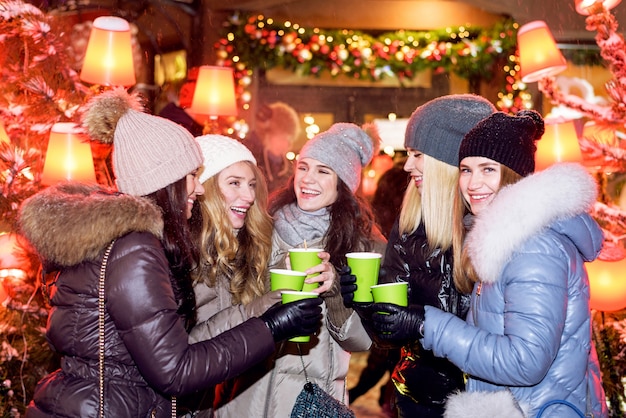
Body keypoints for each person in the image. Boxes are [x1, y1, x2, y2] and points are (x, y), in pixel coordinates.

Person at [18, 88, 323, 418]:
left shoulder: (115, 238)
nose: (200, 187)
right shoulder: (135, 247)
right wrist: (270, 328)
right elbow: (177, 370)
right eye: (192, 176)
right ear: (167, 180)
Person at [369, 110, 609, 417]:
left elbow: (524, 363)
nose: (472, 183)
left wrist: (426, 323)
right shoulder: (502, 239)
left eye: (487, 169)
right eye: (466, 170)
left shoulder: (533, 247)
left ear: (513, 174)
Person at [213, 122, 386, 417]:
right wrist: (280, 274)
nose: (308, 179)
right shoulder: (260, 227)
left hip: (312, 400)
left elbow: (360, 341)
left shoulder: (364, 245)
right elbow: (230, 310)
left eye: (323, 171)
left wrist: (334, 289)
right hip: (247, 392)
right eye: (304, 167)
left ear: (343, 183)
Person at [343, 94, 496, 418]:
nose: (407, 164)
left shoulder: (494, 226)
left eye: (416, 154)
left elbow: (499, 342)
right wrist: (365, 301)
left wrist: (420, 323)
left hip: (479, 402)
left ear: (447, 160)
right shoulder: (412, 218)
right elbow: (387, 335)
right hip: (413, 397)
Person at [185, 134, 338, 416]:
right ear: (203, 186)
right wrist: (268, 314)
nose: (249, 196)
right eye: (234, 183)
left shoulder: (241, 247)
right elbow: (185, 352)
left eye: (252, 185)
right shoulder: (186, 250)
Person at [245, 102, 301, 193]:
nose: (287, 145)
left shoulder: (288, 169)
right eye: (283, 138)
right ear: (268, 134)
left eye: (290, 140)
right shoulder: (250, 160)